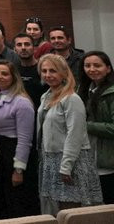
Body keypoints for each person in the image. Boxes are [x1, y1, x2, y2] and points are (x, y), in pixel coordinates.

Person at [37, 53, 102, 213]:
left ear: (63, 73)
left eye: (53, 71)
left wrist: (66, 165)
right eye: (44, 71)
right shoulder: (45, 97)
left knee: (71, 210)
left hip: (71, 161)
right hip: (51, 158)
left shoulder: (72, 99)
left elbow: (75, 134)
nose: (47, 75)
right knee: (58, 210)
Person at [0, 59, 38, 218]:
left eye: (4, 74)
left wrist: (18, 170)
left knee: (17, 204)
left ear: (14, 77)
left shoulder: (22, 102)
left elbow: (25, 140)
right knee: (1, 202)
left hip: (13, 154)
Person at [80, 50, 114, 204]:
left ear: (108, 68)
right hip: (92, 158)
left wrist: (86, 125)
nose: (92, 69)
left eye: (97, 65)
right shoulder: (84, 90)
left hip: (109, 161)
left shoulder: (111, 93)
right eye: (87, 66)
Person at [12, 33, 45, 106]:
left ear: (34, 48)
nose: (23, 48)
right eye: (19, 45)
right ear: (14, 49)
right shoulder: (12, 70)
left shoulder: (43, 68)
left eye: (27, 44)